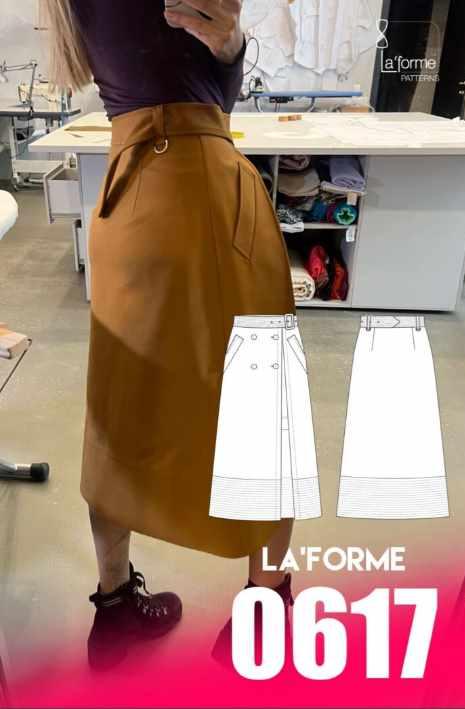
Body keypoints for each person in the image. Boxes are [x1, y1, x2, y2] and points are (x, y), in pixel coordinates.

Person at [45, 0, 296, 671]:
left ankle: (115, 608)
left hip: (127, 197)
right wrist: (231, 48)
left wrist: (226, 47)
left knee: (118, 411)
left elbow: (166, 67)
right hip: (202, 191)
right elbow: (210, 96)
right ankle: (266, 611)